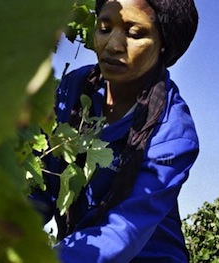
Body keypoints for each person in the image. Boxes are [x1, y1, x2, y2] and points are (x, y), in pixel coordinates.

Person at [31, 0, 200, 262]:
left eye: (134, 34)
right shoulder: (73, 89)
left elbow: (123, 233)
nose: (113, 45)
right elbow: (39, 183)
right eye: (104, 28)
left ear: (164, 44)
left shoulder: (173, 132)